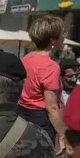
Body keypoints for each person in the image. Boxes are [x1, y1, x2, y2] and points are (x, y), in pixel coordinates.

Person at [17, 14, 65, 145]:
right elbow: (52, 107)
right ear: (52, 40)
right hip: (40, 120)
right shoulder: (51, 67)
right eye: (62, 34)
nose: (64, 37)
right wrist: (62, 135)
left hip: (21, 116)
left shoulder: (27, 58)